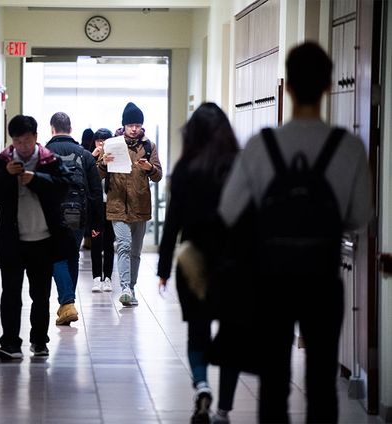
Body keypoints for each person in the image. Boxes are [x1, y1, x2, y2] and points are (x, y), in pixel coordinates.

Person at [219, 42, 371, 423]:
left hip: (270, 281)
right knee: (321, 381)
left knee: (273, 381)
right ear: (327, 86)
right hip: (322, 278)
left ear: (286, 88)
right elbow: (358, 216)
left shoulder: (261, 146)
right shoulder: (349, 147)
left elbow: (229, 210)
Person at [157, 103, 240, 424]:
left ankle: (202, 385)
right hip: (233, 262)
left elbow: (172, 224)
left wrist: (163, 269)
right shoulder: (238, 166)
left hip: (192, 261)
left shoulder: (185, 170)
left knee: (198, 330)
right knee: (233, 335)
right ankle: (223, 411)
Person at [0, 114, 76, 359]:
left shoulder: (48, 160)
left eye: (27, 140)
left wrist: (36, 179)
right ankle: (10, 344)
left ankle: (39, 341)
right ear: (12, 140)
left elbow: (64, 187)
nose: (22, 146)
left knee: (40, 294)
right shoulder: (3, 162)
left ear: (36, 137)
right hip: (12, 241)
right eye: (18, 141)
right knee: (10, 294)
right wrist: (6, 176)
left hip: (43, 240)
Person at [98, 102, 163, 306]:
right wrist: (103, 163)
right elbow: (97, 174)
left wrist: (149, 167)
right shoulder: (112, 144)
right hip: (117, 205)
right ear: (123, 126)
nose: (134, 128)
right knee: (124, 246)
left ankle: (131, 288)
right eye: (130, 125)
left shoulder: (148, 146)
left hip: (140, 205)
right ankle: (125, 287)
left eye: (137, 124)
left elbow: (158, 175)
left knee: (135, 251)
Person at [45, 112, 102, 325]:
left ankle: (67, 302)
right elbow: (96, 191)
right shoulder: (85, 155)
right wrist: (97, 223)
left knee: (55, 256)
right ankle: (67, 304)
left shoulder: (45, 152)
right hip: (79, 213)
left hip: (52, 213)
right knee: (72, 255)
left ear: (52, 129)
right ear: (70, 128)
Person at [90, 128, 115, 293]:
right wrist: (93, 157)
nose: (102, 143)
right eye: (99, 140)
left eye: (105, 140)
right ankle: (96, 277)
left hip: (112, 204)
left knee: (109, 243)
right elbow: (87, 176)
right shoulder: (89, 157)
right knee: (96, 242)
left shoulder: (115, 158)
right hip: (96, 206)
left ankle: (108, 278)